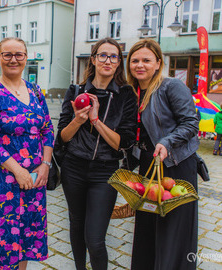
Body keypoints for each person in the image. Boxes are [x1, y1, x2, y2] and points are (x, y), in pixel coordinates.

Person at [0, 37, 54, 270]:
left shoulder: (35, 90)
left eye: (19, 55)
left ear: (26, 58)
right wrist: (18, 170)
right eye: (7, 55)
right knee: (1, 245)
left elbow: (47, 128)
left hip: (34, 181)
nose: (13, 60)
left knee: (26, 241)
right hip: (0, 182)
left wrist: (45, 164)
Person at [57, 37, 137, 269]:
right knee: (77, 227)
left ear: (118, 63)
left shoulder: (126, 95)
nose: (108, 60)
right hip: (74, 169)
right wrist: (78, 120)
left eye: (114, 56)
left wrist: (96, 120)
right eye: (103, 55)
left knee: (95, 238)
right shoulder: (75, 91)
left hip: (105, 173)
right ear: (93, 59)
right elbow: (62, 137)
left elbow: (123, 143)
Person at [126, 39, 199, 270]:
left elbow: (191, 123)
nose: (140, 65)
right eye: (135, 60)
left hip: (175, 164)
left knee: (172, 228)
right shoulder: (133, 91)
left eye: (146, 60)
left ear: (158, 63)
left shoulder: (171, 86)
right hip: (149, 164)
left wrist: (167, 142)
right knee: (147, 224)